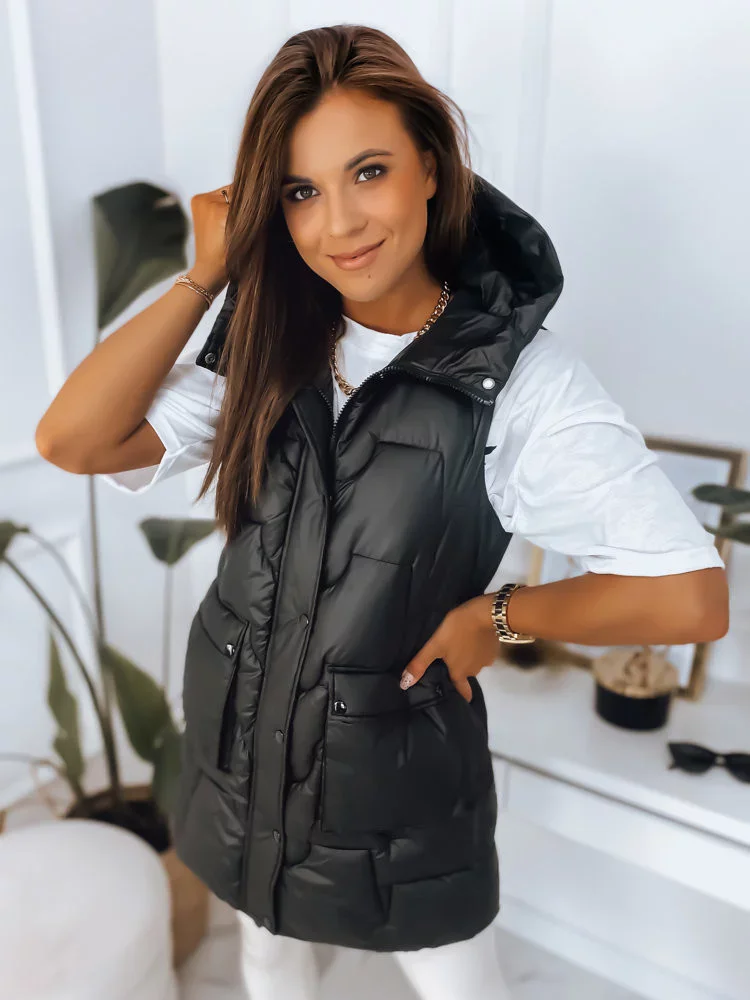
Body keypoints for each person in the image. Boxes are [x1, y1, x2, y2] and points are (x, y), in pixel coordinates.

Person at [36, 24, 729, 1000]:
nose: (340, 224)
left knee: (458, 984)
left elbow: (689, 597)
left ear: (432, 169)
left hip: (397, 789)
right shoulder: (269, 339)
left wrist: (498, 617)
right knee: (265, 952)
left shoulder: (518, 380)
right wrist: (207, 274)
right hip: (240, 753)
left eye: (370, 172)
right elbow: (73, 441)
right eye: (301, 191)